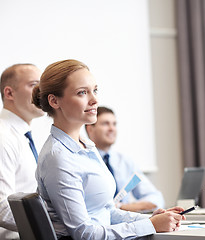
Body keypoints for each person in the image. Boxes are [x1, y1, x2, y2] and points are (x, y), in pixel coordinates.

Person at [32, 59, 184, 239]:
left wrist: (148, 220)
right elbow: (84, 234)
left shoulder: (85, 146)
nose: (94, 100)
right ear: (54, 101)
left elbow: (106, 212)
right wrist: (149, 225)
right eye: (82, 93)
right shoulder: (58, 157)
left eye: (95, 90)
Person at [85, 106, 165, 212]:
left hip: (125, 222)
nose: (112, 129)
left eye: (114, 124)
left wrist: (122, 207)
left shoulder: (125, 162)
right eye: (105, 124)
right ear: (90, 129)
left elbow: (156, 198)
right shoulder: (83, 160)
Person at [0, 64, 44, 239]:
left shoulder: (23, 136)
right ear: (9, 93)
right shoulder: (3, 136)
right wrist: (55, 224)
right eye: (33, 85)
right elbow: (2, 208)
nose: (41, 93)